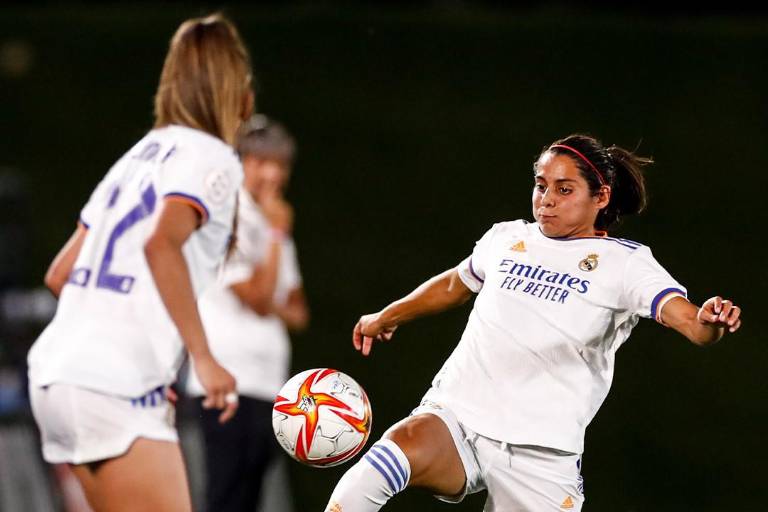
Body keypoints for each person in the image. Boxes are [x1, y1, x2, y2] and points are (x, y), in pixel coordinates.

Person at [323, 133, 743, 512]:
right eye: (541, 186)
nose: (547, 199)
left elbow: (690, 322)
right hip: (459, 416)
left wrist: (711, 321)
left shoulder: (626, 263)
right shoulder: (508, 238)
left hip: (541, 455)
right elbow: (455, 283)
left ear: (601, 197)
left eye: (565, 189)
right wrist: (387, 316)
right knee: (390, 456)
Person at [26, 13, 254, 512]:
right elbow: (160, 244)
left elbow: (60, 275)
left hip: (56, 374)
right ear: (236, 90)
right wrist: (203, 357)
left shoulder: (137, 156)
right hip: (110, 384)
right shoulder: (212, 157)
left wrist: (135, 353)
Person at [185, 114, 309, 512]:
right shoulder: (226, 215)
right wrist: (274, 236)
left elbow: (298, 312)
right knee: (223, 493)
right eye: (260, 161)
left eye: (279, 163)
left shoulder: (274, 221)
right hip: (225, 377)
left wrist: (274, 242)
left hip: (268, 381)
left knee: (250, 497)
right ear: (240, 163)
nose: (271, 172)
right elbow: (258, 298)